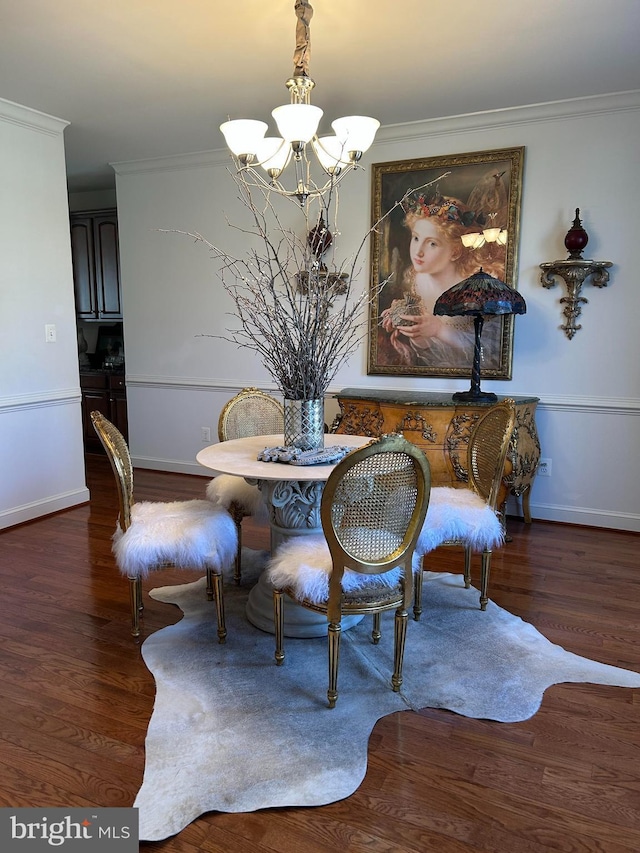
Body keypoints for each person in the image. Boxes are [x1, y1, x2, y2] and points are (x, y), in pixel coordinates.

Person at [378, 192, 504, 371]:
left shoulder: (481, 287)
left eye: (432, 243)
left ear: (455, 251)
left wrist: (439, 330)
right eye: (416, 238)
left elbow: (491, 351)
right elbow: (433, 356)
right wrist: (416, 332)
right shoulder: (415, 279)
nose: (418, 251)